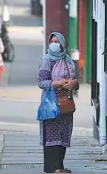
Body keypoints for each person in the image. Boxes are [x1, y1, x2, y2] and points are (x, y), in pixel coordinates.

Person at [38, 32, 80, 173]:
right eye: (52, 41)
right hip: (51, 102)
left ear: (62, 43)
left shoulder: (67, 60)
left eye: (57, 41)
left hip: (66, 102)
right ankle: (52, 168)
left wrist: (74, 83)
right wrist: (59, 83)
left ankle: (60, 166)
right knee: (51, 135)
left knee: (63, 135)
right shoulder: (47, 60)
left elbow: (76, 81)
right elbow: (42, 82)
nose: (55, 44)